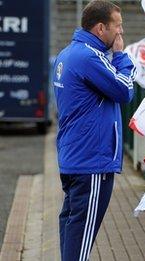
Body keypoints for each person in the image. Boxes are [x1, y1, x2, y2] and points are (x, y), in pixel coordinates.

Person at [52, 1, 136, 260]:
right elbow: (124, 90)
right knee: (80, 236)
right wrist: (121, 56)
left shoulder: (69, 53)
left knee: (72, 228)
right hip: (92, 162)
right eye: (118, 27)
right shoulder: (89, 56)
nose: (120, 33)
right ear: (101, 28)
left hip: (75, 157)